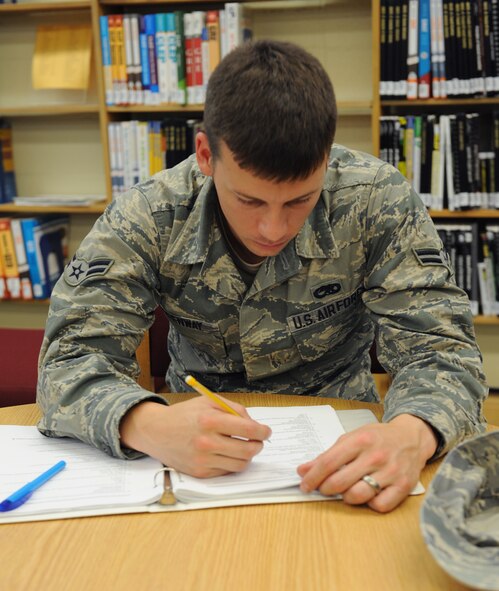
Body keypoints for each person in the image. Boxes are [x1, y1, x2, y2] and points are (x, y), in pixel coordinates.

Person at [37, 40, 487, 513]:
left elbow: (442, 350)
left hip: (346, 440)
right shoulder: (148, 215)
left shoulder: (376, 200)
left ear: (327, 158)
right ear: (207, 155)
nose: (273, 229)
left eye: (299, 200)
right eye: (250, 201)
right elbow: (69, 359)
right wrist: (145, 423)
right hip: (191, 445)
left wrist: (412, 434)